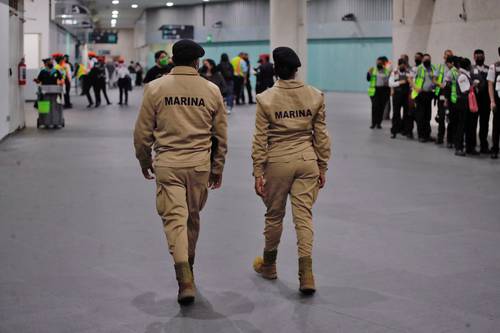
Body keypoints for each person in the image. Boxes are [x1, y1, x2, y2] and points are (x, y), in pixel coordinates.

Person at [134, 39, 227, 305]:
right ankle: (190, 270)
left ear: (172, 60)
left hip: (169, 165)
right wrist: (217, 167)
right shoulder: (211, 90)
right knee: (192, 219)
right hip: (199, 166)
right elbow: (220, 135)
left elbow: (142, 133)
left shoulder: (155, 88)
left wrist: (144, 160)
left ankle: (184, 279)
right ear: (197, 62)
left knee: (175, 220)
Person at [252, 46, 331, 295]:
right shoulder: (315, 95)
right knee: (304, 218)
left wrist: (257, 172)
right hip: (307, 160)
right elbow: (321, 136)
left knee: (274, 216)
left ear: (275, 69)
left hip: (277, 162)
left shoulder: (266, 99)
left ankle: (269, 265)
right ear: (297, 70)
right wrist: (322, 165)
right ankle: (306, 275)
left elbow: (260, 139)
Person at [411, 53, 436, 142]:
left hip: (429, 94)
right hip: (420, 94)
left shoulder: (432, 68)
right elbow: (410, 79)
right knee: (421, 116)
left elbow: (435, 79)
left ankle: (427, 135)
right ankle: (421, 135)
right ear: (422, 60)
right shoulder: (418, 68)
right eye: (425, 59)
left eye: (428, 59)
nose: (427, 61)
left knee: (427, 116)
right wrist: (416, 87)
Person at [472, 49, 491, 154]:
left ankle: (484, 145)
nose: (480, 57)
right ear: (474, 57)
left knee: (484, 124)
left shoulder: (489, 69)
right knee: (472, 123)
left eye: (481, 56)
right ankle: (472, 145)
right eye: (478, 56)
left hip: (485, 101)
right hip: (474, 101)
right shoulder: (471, 69)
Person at [454, 57, 473, 156]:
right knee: (461, 126)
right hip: (463, 102)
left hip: (464, 102)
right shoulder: (462, 76)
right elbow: (465, 90)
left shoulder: (465, 75)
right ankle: (458, 147)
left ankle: (466, 146)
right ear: (467, 66)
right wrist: (474, 85)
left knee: (466, 125)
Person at [434, 49, 454, 145]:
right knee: (441, 116)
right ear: (444, 56)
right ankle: (440, 137)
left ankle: (450, 139)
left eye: (450, 55)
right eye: (446, 55)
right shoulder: (440, 67)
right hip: (442, 93)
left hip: (452, 94)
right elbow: (434, 79)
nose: (447, 57)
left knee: (451, 117)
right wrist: (440, 84)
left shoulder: (455, 67)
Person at [389, 58, 411, 138]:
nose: (404, 66)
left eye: (405, 65)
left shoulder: (408, 72)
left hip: (406, 96)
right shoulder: (394, 72)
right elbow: (390, 84)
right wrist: (399, 82)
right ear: (399, 65)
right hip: (397, 95)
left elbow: (412, 81)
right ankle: (394, 131)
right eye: (402, 65)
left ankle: (406, 131)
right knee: (396, 113)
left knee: (406, 114)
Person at [367, 57, 390, 129]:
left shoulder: (386, 71)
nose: (378, 64)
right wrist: (369, 73)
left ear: (382, 63)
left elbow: (389, 81)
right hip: (374, 90)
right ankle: (373, 123)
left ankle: (379, 123)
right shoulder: (372, 70)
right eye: (377, 62)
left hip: (383, 90)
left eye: (380, 62)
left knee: (381, 107)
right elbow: (368, 79)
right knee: (375, 106)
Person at [442, 55, 459, 149]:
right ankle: (453, 140)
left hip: (452, 100)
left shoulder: (450, 72)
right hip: (457, 100)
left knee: (451, 121)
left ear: (451, 63)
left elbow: (446, 88)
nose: (447, 65)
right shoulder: (458, 71)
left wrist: (446, 100)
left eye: (447, 63)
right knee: (455, 121)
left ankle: (450, 141)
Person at [487, 46, 500, 159]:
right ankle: (494, 149)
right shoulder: (494, 67)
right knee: (496, 126)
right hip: (498, 100)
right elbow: (490, 84)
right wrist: (492, 101)